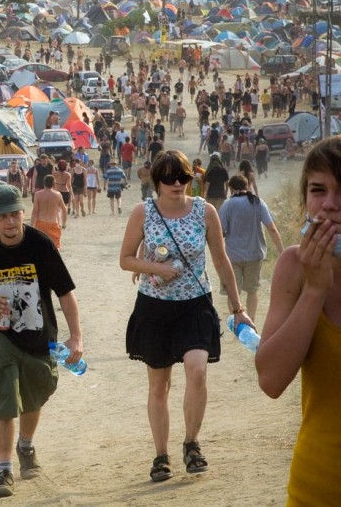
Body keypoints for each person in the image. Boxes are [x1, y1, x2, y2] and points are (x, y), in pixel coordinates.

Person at [255, 133, 341, 503]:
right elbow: (270, 379)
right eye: (318, 190)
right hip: (315, 489)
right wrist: (315, 290)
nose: (329, 205)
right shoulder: (293, 268)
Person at [118, 150, 251, 483]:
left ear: (193, 179)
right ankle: (160, 455)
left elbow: (221, 260)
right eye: (170, 178)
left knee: (197, 370)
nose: (177, 184)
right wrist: (155, 268)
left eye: (184, 178)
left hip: (195, 303)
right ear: (157, 181)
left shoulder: (205, 212)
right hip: (155, 306)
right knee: (159, 386)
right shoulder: (142, 213)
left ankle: (191, 444)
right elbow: (125, 259)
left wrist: (238, 308)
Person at [0, 184, 84, 499]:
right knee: (2, 394)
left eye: (15, 214)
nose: (11, 222)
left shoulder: (40, 244)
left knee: (35, 394)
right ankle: (3, 469)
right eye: (3, 216)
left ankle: (25, 446)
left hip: (39, 333)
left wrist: (76, 336)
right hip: (0, 332)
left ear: (22, 212)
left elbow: (65, 293)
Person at [218, 175, 285, 322]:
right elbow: (272, 229)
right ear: (247, 186)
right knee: (252, 290)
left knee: (233, 291)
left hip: (233, 256)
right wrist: (282, 251)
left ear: (230, 188)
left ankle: (237, 322)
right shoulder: (258, 202)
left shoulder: (227, 205)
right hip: (255, 254)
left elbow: (220, 232)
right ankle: (251, 320)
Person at [31, 174, 68, 249]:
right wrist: (63, 223)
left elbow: (35, 211)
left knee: (40, 246)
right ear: (54, 184)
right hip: (53, 223)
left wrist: (32, 226)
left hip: (40, 224)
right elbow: (64, 210)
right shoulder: (58, 194)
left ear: (44, 183)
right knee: (55, 247)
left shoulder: (38, 194)